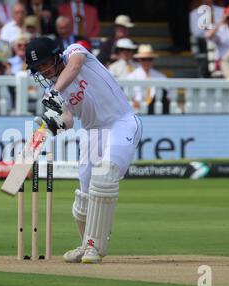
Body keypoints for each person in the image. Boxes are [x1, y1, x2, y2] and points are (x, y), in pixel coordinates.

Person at [26, 37, 143, 264]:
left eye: (43, 64)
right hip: (92, 133)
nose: (42, 71)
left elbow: (75, 66)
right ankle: (86, 243)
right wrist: (54, 124)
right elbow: (69, 119)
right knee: (84, 197)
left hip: (121, 122)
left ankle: (94, 248)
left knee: (106, 176)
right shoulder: (53, 89)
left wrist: (55, 92)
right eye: (37, 68)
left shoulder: (74, 52)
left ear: (55, 55)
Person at [127, 44, 170, 114]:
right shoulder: (131, 76)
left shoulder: (161, 76)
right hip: (137, 110)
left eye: (149, 59)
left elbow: (169, 94)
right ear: (139, 60)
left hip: (156, 110)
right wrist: (133, 101)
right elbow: (127, 96)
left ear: (153, 60)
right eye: (144, 59)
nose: (147, 62)